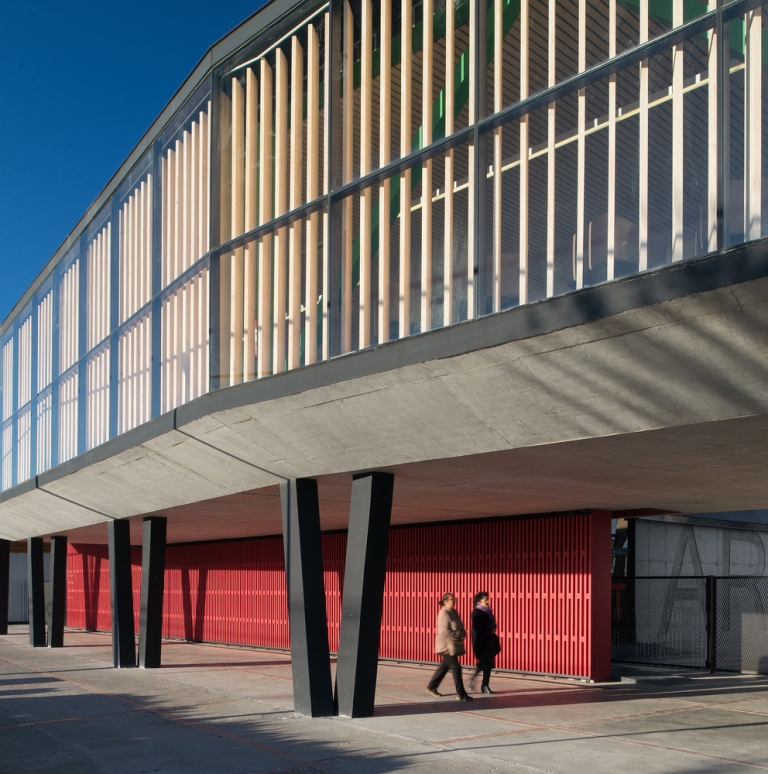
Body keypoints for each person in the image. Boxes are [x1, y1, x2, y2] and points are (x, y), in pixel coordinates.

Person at [425, 592, 473, 701]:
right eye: (452, 599)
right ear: (446, 601)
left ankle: (431, 687)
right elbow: (444, 631)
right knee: (456, 668)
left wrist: (462, 632)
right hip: (445, 646)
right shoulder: (444, 613)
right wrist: (459, 634)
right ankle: (461, 694)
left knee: (444, 667)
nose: (454, 601)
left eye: (454, 599)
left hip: (453, 645)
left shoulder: (453, 611)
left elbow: (459, 625)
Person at [471, 591, 499, 694]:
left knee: (487, 664)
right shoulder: (477, 613)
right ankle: (482, 684)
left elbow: (492, 624)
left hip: (489, 641)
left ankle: (483, 684)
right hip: (482, 643)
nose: (487, 601)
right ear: (479, 602)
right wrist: (489, 629)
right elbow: (478, 630)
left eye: (487, 599)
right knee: (486, 664)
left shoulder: (488, 611)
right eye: (484, 600)